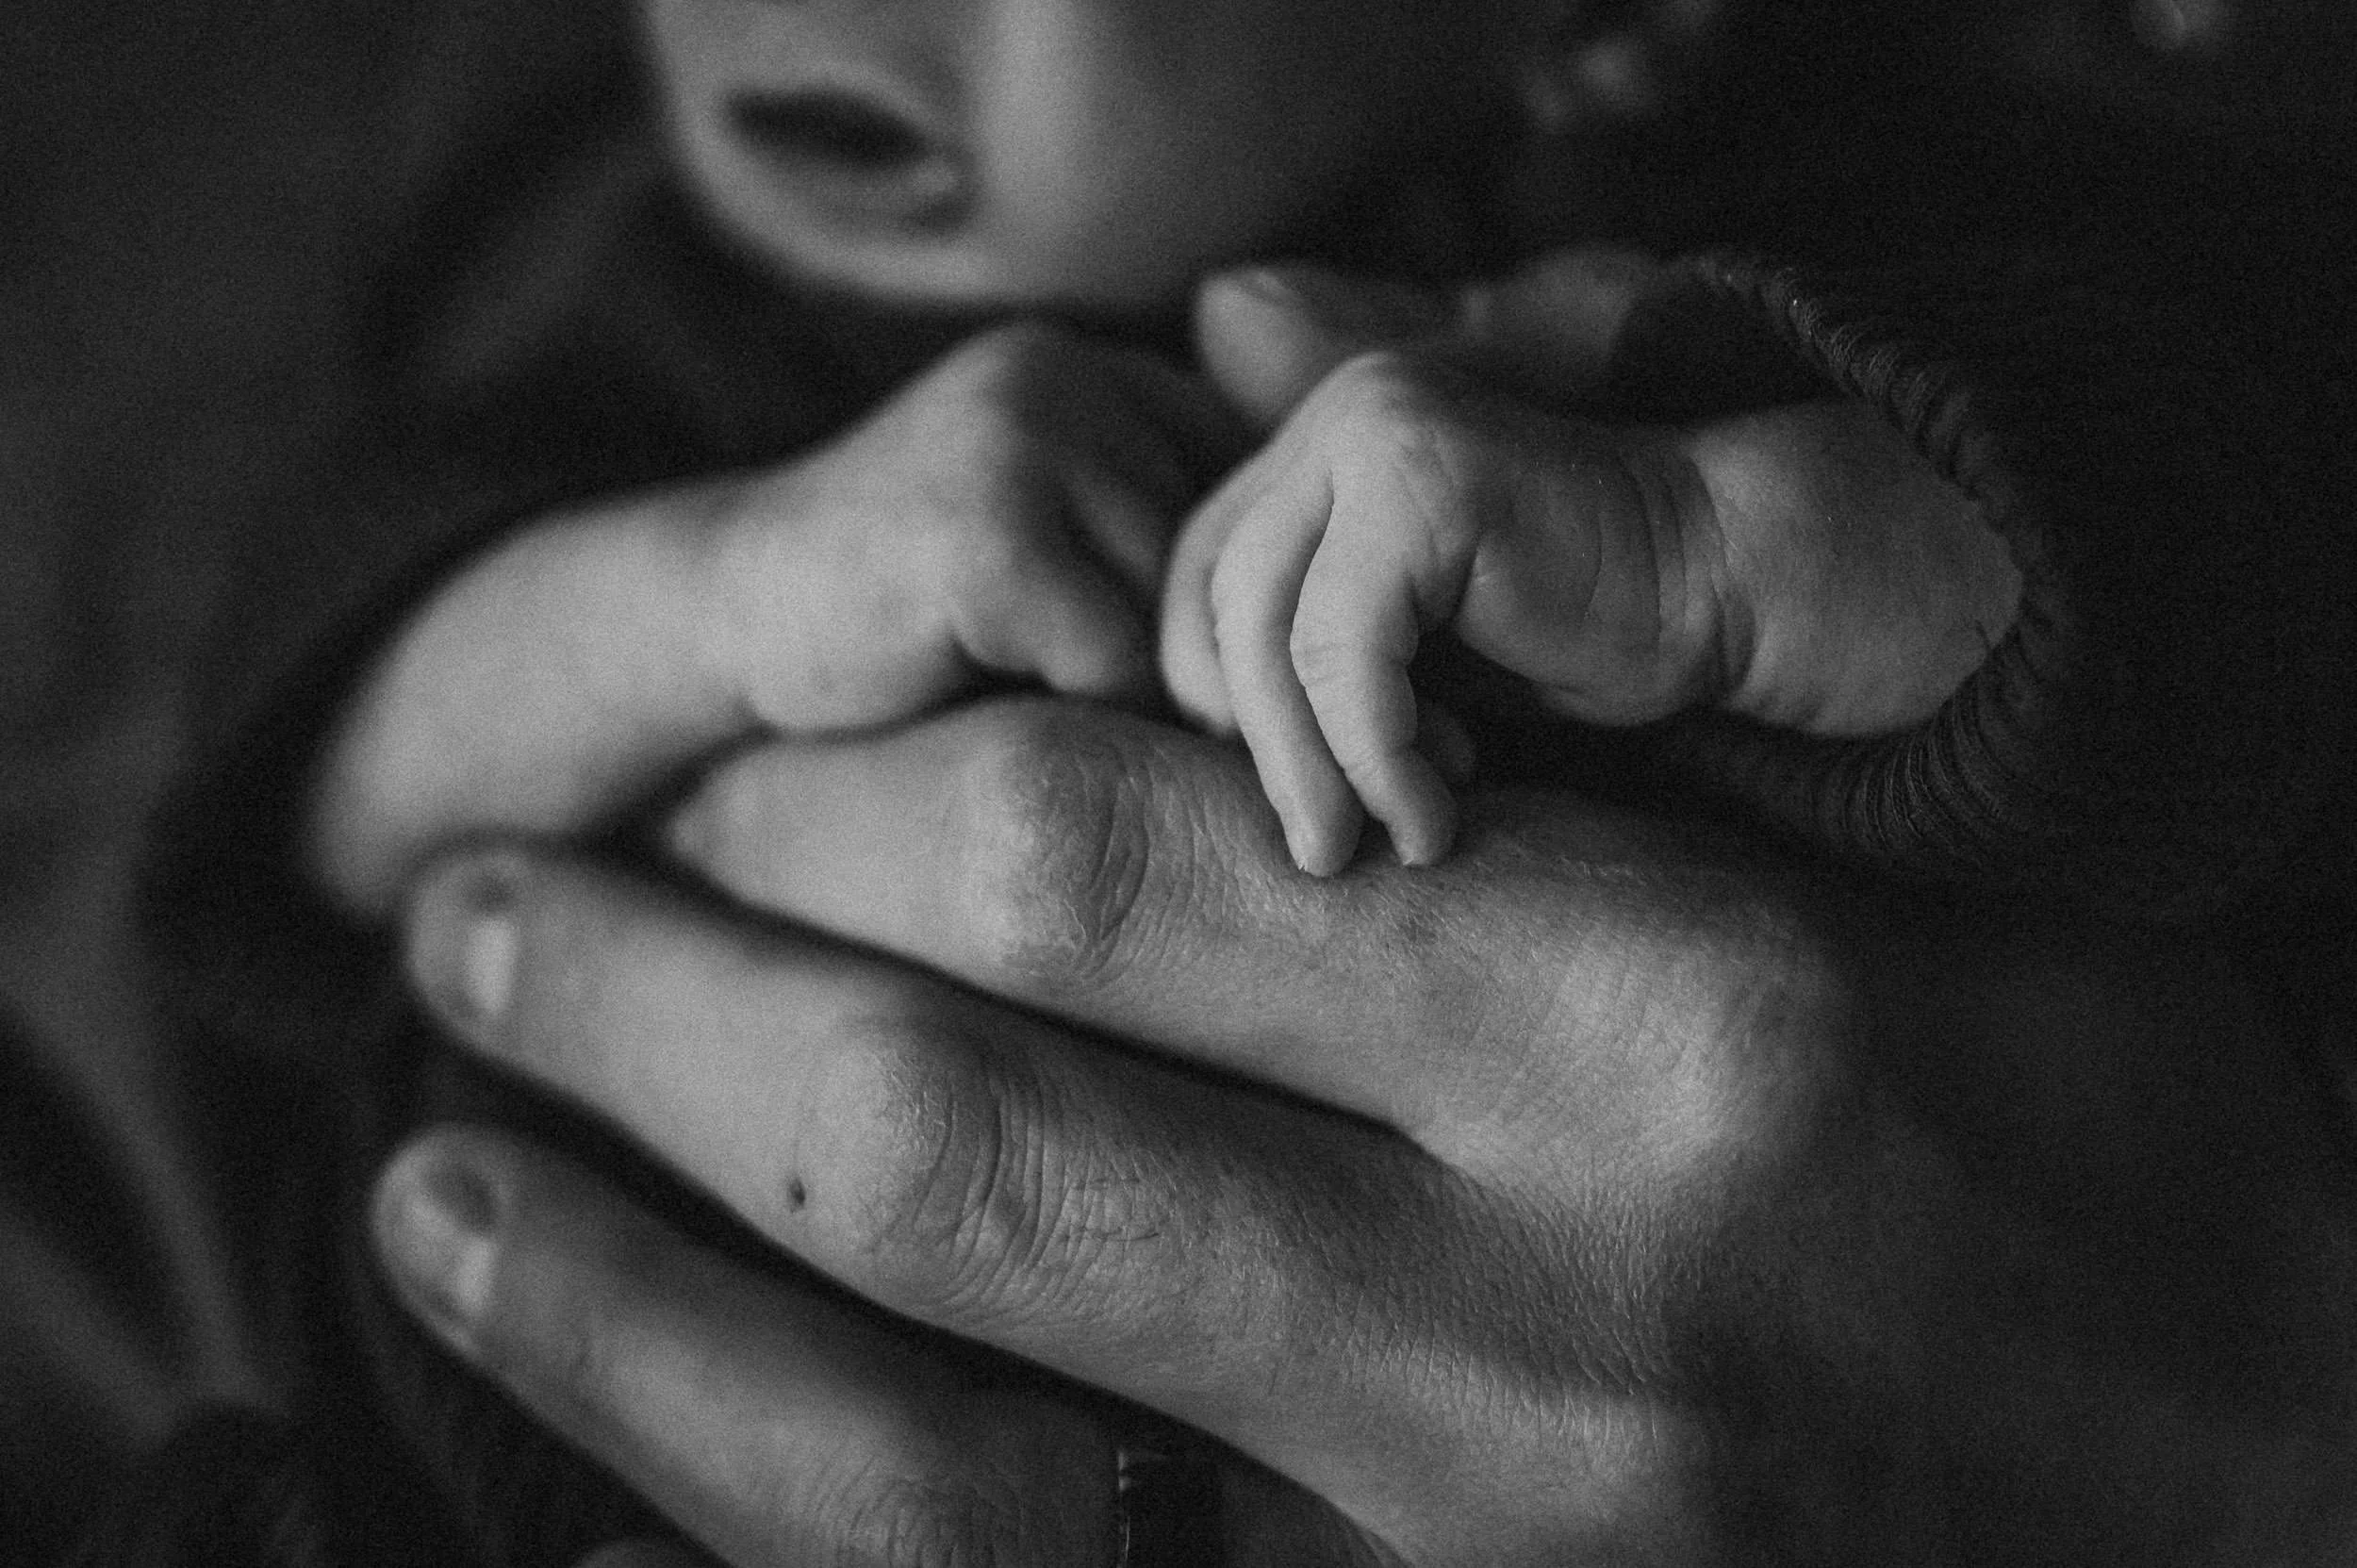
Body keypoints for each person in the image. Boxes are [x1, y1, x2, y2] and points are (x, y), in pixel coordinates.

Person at [105, 0, 2357, 1560]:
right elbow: (316, 783)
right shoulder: (645, 310)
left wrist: (1712, 540)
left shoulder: (1794, 255)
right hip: (447, 1431)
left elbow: (2199, 622)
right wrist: (721, 584)